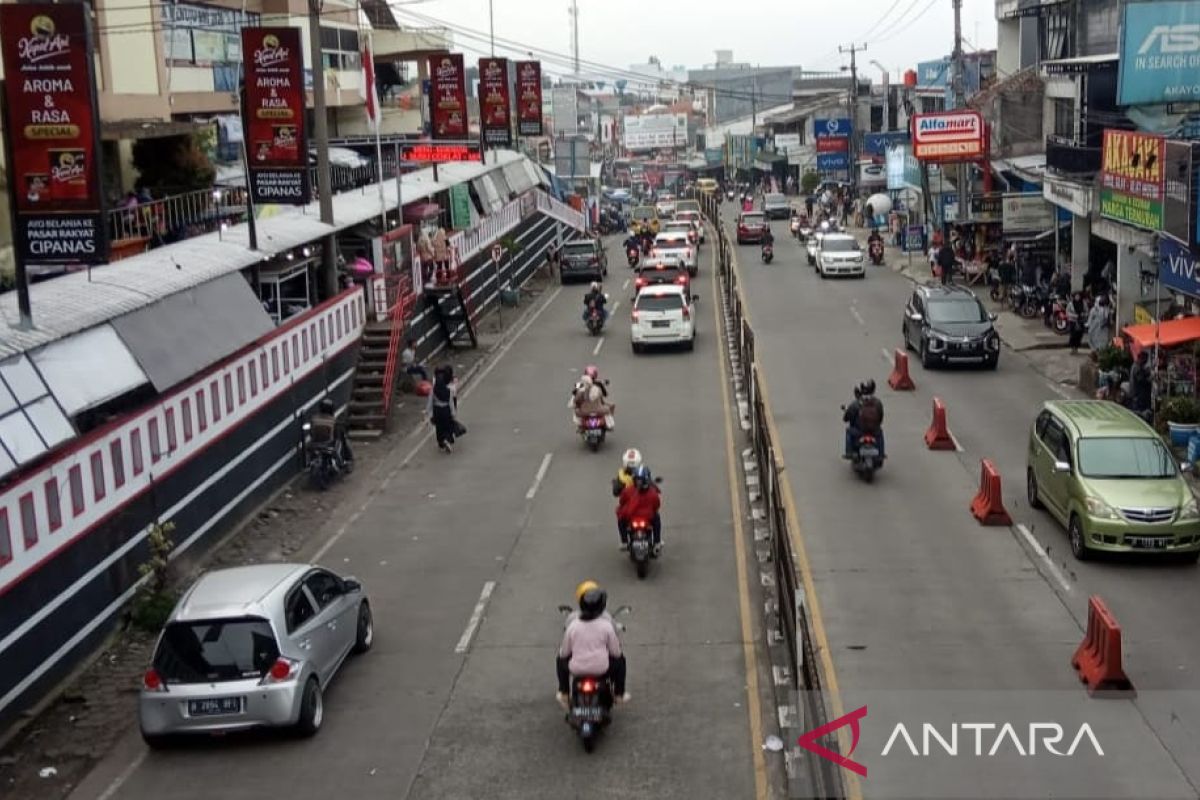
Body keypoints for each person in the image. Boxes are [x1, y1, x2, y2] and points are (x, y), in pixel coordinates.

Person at [556, 586, 628, 708]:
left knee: (560, 659)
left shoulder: (573, 626)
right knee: (621, 661)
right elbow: (615, 653)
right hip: (602, 669)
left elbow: (565, 653)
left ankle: (564, 693)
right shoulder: (606, 626)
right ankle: (619, 694)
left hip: (576, 669)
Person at [616, 465, 662, 554]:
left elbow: (622, 502)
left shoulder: (628, 491)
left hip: (631, 517)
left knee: (621, 520)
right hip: (648, 517)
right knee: (657, 519)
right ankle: (657, 542)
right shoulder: (653, 492)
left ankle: (624, 542)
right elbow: (657, 505)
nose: (639, 482)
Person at [843, 380, 885, 459]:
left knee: (848, 431)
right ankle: (881, 454)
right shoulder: (877, 402)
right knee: (880, 433)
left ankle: (849, 452)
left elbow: (846, 418)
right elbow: (881, 418)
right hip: (874, 431)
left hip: (859, 431)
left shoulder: (855, 404)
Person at [308, 397, 354, 467]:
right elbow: (336, 434)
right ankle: (342, 462)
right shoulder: (333, 420)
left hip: (315, 443)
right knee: (339, 443)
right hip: (328, 443)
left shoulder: (314, 419)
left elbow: (311, 432)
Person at [427, 365, 461, 452]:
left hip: (437, 411)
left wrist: (430, 414)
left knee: (439, 427)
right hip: (446, 410)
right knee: (447, 426)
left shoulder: (433, 391)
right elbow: (451, 403)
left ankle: (441, 442)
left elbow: (430, 403)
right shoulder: (448, 391)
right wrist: (453, 414)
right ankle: (447, 439)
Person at [1130, 350, 1153, 416]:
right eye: (1145, 360)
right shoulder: (1137, 367)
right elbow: (1141, 380)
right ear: (1141, 358)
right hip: (1138, 396)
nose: (1146, 362)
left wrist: (1147, 372)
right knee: (1139, 414)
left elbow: (1142, 373)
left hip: (1138, 396)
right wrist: (1149, 380)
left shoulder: (1137, 366)